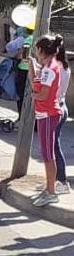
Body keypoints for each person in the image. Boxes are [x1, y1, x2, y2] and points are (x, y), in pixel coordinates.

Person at [29, 34, 67, 206]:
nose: (36, 53)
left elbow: (42, 94)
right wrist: (31, 67)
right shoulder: (47, 67)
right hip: (45, 113)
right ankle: (50, 188)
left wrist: (34, 95)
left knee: (47, 154)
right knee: (47, 153)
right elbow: (35, 84)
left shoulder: (49, 69)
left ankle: (51, 191)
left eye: (37, 49)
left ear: (42, 50)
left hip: (48, 114)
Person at [52, 44, 71, 195]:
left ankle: (62, 181)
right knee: (54, 146)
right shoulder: (65, 66)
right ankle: (56, 180)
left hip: (55, 108)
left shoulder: (55, 68)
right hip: (62, 106)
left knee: (54, 147)